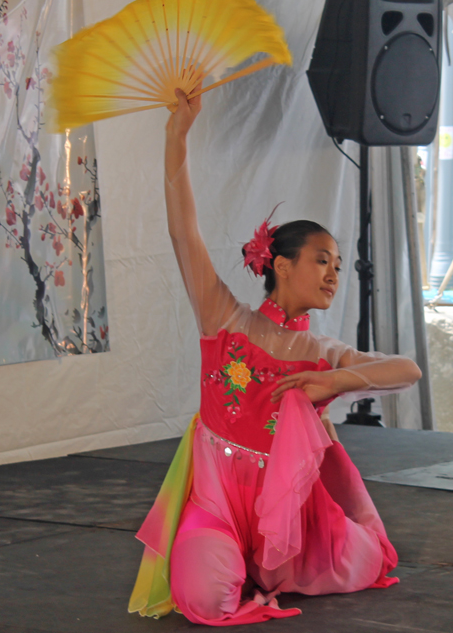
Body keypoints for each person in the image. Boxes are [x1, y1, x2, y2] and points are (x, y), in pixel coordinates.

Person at [128, 85, 422, 626]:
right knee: (204, 599)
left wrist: (332, 383)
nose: (334, 273)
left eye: (338, 263)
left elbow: (408, 370)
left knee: (363, 563)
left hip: (293, 520)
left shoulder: (321, 352)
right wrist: (177, 135)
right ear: (281, 265)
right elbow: (182, 231)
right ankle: (234, 560)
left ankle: (276, 564)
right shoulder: (224, 318)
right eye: (321, 260)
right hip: (219, 502)